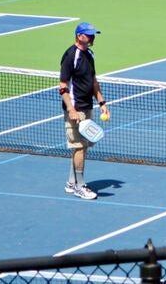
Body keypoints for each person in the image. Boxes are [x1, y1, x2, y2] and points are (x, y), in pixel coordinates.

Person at [59, 22, 109, 201]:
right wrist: (71, 109)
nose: (92, 37)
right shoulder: (70, 56)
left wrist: (101, 102)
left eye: (93, 34)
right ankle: (80, 186)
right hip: (75, 109)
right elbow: (63, 86)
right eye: (89, 35)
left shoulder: (90, 54)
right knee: (79, 147)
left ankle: (71, 182)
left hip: (87, 107)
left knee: (83, 147)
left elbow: (93, 81)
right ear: (79, 36)